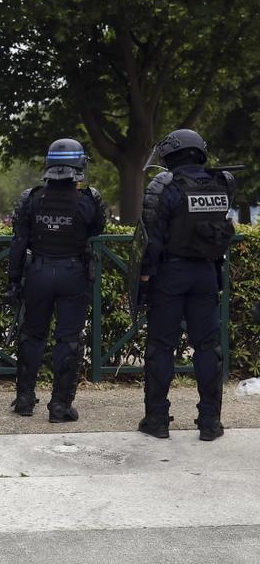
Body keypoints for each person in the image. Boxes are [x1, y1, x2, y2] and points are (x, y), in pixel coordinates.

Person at [135, 129, 235, 441]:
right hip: (206, 274)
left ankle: (157, 420)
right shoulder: (222, 182)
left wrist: (144, 279)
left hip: (170, 275)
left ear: (172, 154)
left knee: (161, 346)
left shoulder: (165, 186)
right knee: (208, 347)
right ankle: (209, 423)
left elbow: (151, 241)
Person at [5, 139, 106, 421]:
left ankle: (24, 399)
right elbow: (97, 228)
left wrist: (13, 280)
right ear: (79, 166)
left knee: (32, 334)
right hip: (73, 273)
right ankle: (60, 405)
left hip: (38, 271)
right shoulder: (88, 201)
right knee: (69, 339)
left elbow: (18, 242)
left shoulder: (32, 198)